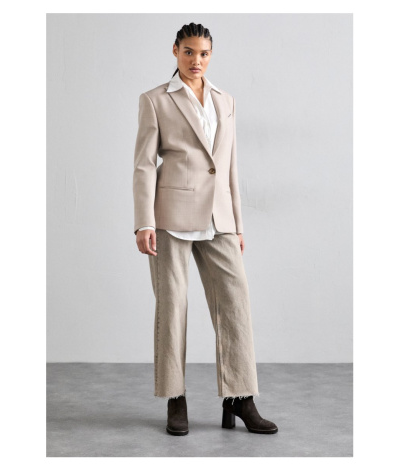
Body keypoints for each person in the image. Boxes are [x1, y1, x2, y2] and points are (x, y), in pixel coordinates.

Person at [133, 22, 278, 436]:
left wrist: (237, 223)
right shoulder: (155, 100)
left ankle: (240, 398)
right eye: (189, 52)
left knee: (235, 304)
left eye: (203, 54)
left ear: (210, 55)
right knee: (172, 308)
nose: (196, 60)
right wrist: (144, 222)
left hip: (219, 219)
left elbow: (229, 165)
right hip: (170, 218)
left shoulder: (225, 100)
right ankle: (175, 398)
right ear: (175, 51)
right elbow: (144, 165)